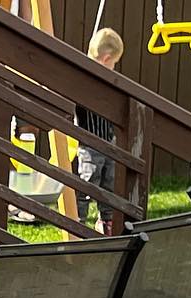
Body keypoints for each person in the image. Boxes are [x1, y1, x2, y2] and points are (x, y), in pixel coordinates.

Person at [75, 27, 125, 231]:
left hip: (108, 141)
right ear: (106, 59)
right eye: (114, 63)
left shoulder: (109, 83)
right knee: (88, 183)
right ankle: (79, 222)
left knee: (109, 184)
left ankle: (106, 220)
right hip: (89, 145)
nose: (114, 68)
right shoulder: (85, 79)